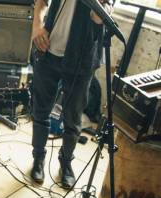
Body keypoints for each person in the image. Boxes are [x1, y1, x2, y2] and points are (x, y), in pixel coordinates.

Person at [30, 0, 108, 188]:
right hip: (47, 50)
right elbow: (41, 2)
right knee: (40, 111)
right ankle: (38, 158)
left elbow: (98, 18)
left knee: (72, 119)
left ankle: (66, 163)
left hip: (81, 59)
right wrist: (38, 26)